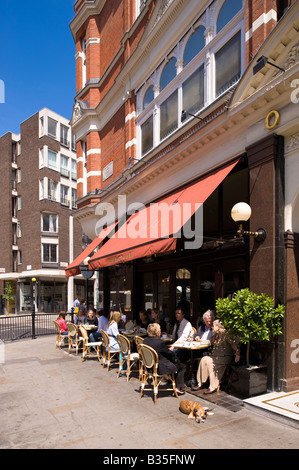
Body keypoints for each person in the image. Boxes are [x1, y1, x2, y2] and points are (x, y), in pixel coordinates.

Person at [193, 319, 240, 394]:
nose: (212, 327)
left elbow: (234, 344)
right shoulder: (217, 334)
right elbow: (210, 341)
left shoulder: (226, 334)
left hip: (224, 357)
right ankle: (200, 382)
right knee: (204, 359)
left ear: (218, 326)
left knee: (210, 363)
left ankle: (212, 386)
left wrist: (237, 354)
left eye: (213, 326)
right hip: (216, 356)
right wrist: (200, 340)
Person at [143, 323, 186, 395]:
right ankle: (178, 387)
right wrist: (172, 351)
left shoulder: (145, 341)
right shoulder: (160, 342)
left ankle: (176, 382)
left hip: (149, 366)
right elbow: (168, 353)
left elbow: (162, 350)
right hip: (159, 367)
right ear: (157, 332)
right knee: (181, 366)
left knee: (175, 362)